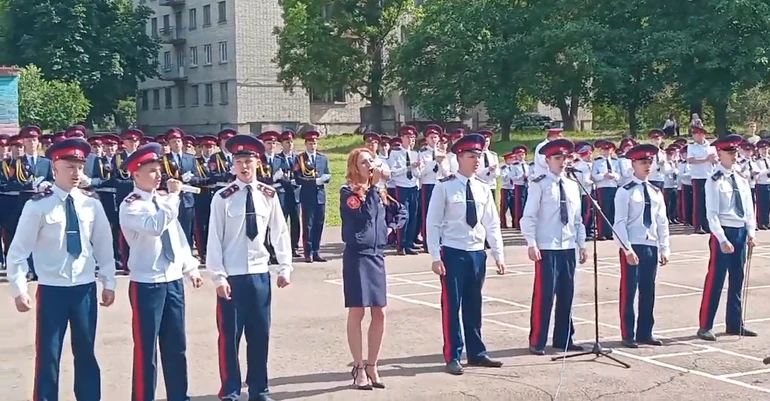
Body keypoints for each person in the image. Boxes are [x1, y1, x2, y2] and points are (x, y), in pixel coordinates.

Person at [6, 137, 117, 400]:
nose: (76, 173)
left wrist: (109, 282)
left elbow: (104, 246)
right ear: (54, 167)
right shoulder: (38, 205)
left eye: (80, 167)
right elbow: (18, 251)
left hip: (84, 289)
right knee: (49, 354)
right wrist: (18, 288)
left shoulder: (92, 204)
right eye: (70, 167)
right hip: (52, 289)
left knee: (86, 352)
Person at [206, 135, 292, 401]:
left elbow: (280, 232)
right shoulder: (223, 197)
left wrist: (285, 266)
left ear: (258, 163)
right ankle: (230, 390)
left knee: (260, 335)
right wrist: (218, 276)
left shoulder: (268, 195)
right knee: (230, 337)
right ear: (232, 165)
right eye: (239, 161)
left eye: (249, 161)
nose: (245, 167)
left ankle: (259, 389)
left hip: (259, 274)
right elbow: (214, 240)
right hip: (233, 275)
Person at [119, 143, 204, 401]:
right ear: (136, 174)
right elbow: (156, 227)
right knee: (147, 349)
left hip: (172, 280)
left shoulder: (162, 201)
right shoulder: (131, 204)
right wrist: (174, 198)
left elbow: (176, 237)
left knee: (176, 346)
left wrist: (190, 267)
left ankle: (179, 396)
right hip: (147, 283)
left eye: (159, 170)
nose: (159, 175)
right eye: (153, 171)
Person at [426, 133, 506, 375]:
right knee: (452, 306)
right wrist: (434, 256)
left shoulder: (483, 188)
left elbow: (492, 224)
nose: (476, 160)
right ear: (459, 157)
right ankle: (453, 355)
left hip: (476, 253)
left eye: (479, 156)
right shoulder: (445, 187)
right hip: (453, 252)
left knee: (474, 305)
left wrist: (498, 254)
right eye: (472, 156)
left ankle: (476, 353)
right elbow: (433, 223)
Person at [340, 147, 406, 390]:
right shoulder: (349, 192)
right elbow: (363, 216)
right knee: (357, 311)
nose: (369, 165)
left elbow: (401, 210)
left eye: (371, 160)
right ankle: (358, 367)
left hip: (377, 255)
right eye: (364, 162)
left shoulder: (379, 192)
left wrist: (390, 229)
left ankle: (373, 364)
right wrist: (374, 188)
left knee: (380, 312)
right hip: (357, 256)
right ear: (355, 168)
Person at [520, 138, 588, 356]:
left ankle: (564, 338)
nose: (562, 162)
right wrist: (531, 243)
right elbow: (528, 217)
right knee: (544, 295)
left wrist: (581, 243)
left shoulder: (571, 184)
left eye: (565, 158)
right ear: (547, 160)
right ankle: (538, 340)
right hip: (547, 246)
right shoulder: (539, 184)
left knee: (567, 294)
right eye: (557, 158)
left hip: (567, 245)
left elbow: (577, 219)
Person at [697, 134, 757, 341]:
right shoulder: (713, 180)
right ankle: (705, 325)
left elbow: (749, 208)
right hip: (724, 231)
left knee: (737, 279)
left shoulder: (740, 177)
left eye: (735, 152)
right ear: (719, 154)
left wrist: (751, 232)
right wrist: (722, 239)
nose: (733, 156)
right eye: (729, 152)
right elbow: (711, 214)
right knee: (716, 280)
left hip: (740, 231)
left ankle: (734, 323)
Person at [613, 144, 671, 348]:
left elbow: (662, 221)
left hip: (650, 244)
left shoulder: (656, 191)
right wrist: (626, 249)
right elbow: (619, 223)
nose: (647, 166)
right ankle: (627, 333)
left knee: (648, 290)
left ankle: (645, 332)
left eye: (649, 162)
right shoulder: (625, 191)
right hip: (633, 245)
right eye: (643, 162)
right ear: (633, 165)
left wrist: (664, 247)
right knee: (629, 291)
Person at [294, 130, 331, 263]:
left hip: (320, 195)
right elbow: (298, 178)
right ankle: (308, 252)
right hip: (307, 195)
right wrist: (314, 181)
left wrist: (326, 179)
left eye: (314, 143)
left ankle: (316, 251)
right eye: (310, 143)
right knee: (308, 225)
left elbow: (327, 174)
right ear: (305, 144)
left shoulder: (322, 158)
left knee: (318, 224)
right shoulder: (300, 158)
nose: (313, 146)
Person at [388, 125, 422, 255]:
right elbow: (393, 172)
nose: (411, 140)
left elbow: (419, 174)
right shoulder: (395, 153)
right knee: (404, 216)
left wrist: (416, 168)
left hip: (413, 186)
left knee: (413, 216)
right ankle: (400, 244)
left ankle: (409, 243)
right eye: (408, 137)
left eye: (413, 138)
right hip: (402, 187)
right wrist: (408, 167)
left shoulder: (415, 153)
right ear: (402, 138)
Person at [275, 130, 302, 257]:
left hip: (295, 193)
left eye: (291, 141)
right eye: (287, 142)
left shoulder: (298, 158)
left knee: (296, 221)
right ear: (282, 144)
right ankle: (282, 247)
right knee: (282, 222)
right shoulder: (278, 159)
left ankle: (294, 247)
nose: (290, 144)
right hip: (283, 194)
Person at [687, 126, 717, 234]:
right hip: (698, 176)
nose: (696, 136)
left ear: (703, 135)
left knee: (708, 202)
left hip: (709, 176)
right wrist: (705, 159)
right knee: (698, 202)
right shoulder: (691, 147)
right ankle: (698, 225)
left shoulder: (711, 147)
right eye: (694, 134)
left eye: (698, 134)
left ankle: (707, 224)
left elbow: (716, 161)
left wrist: (714, 160)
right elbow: (691, 160)